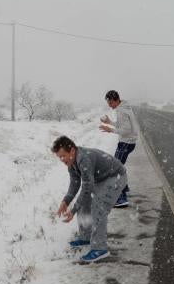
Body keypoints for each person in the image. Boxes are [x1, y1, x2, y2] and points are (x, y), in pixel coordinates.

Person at [52, 135, 128, 263]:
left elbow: (87, 187)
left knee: (99, 206)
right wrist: (66, 201)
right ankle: (86, 236)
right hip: (101, 178)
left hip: (115, 177)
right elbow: (75, 183)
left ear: (72, 151)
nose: (61, 159)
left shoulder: (84, 159)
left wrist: (73, 210)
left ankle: (100, 248)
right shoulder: (71, 162)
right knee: (84, 202)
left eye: (63, 155)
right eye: (59, 157)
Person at [99, 90, 138, 208]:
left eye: (110, 103)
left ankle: (121, 198)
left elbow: (126, 130)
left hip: (126, 142)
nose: (109, 106)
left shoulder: (121, 110)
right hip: (129, 142)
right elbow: (123, 126)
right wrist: (110, 122)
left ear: (115, 100)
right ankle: (124, 188)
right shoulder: (124, 107)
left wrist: (110, 130)